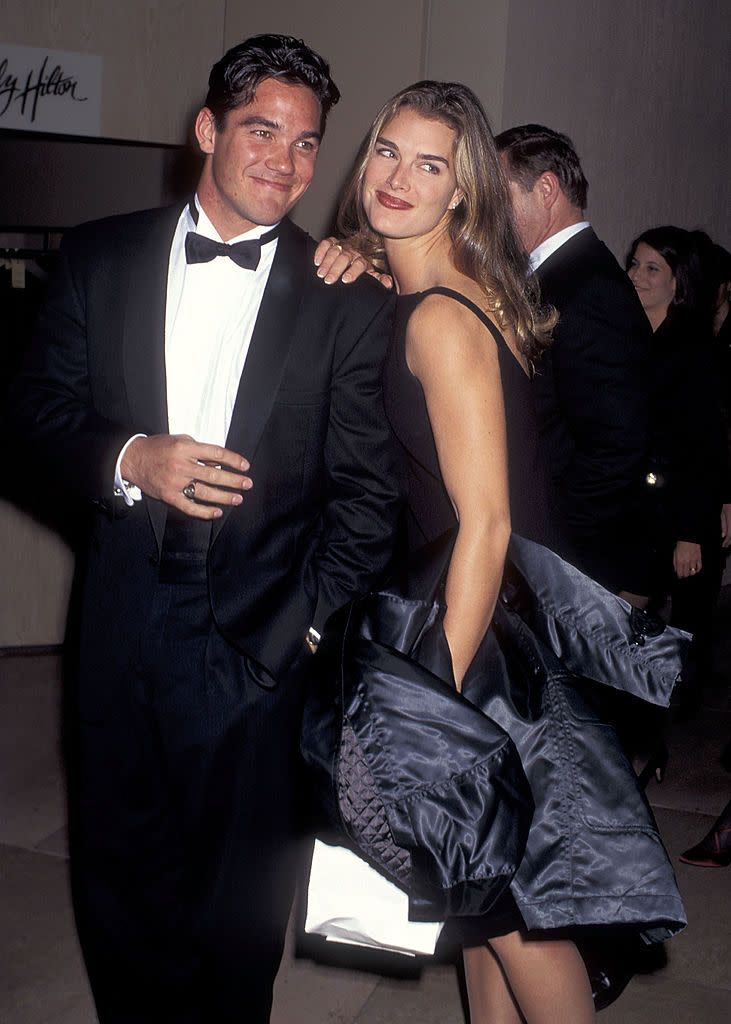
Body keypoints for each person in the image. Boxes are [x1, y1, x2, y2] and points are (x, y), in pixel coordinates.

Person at [6, 34, 402, 1024]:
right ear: (206, 130)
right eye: (261, 130)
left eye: (307, 143)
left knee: (235, 917)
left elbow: (367, 499)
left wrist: (297, 637)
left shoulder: (342, 297)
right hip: (120, 628)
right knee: (119, 888)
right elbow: (31, 418)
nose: (285, 161)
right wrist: (130, 457)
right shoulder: (99, 256)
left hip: (261, 646)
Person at [325, 79, 685, 1024]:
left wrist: (428, 704)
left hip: (472, 642)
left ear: (462, 191)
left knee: (522, 916)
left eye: (429, 164)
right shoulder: (435, 289)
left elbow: (483, 521)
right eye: (386, 153)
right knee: (483, 910)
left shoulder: (442, 316)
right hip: (476, 625)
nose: (398, 177)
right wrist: (353, 256)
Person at [493, 125, 652, 603]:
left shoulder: (587, 287)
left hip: (567, 556)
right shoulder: (560, 274)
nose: (491, 212)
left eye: (500, 195)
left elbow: (617, 446)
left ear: (546, 189)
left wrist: (549, 542)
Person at [626, 226, 726, 696]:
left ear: (676, 282)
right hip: (636, 504)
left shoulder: (693, 347)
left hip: (675, 509)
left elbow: (704, 445)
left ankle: (657, 720)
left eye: (652, 268)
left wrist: (690, 533)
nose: (637, 275)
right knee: (628, 617)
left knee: (676, 626)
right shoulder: (628, 334)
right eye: (635, 264)